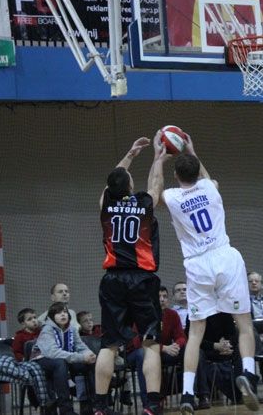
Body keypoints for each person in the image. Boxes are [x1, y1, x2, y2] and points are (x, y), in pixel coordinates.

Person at [160, 133, 259, 413]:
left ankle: (188, 394)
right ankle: (248, 374)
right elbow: (205, 176)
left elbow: (155, 192)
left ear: (176, 175)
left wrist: (158, 158)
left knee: (195, 333)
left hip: (197, 264)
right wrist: (192, 150)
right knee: (244, 323)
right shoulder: (211, 188)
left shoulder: (172, 197)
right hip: (225, 256)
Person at [93, 134, 166, 415]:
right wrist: (158, 158)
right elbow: (156, 186)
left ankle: (100, 407)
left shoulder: (106, 204)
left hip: (113, 280)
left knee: (109, 345)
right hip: (141, 279)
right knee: (151, 343)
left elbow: (111, 181)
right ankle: (152, 405)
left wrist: (130, 155)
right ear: (130, 186)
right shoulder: (143, 203)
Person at [31, 302, 96, 415]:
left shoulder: (72, 328)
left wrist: (90, 355)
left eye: (65, 312)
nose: (63, 314)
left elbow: (80, 346)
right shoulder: (47, 329)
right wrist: (81, 357)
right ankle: (66, 410)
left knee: (89, 363)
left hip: (65, 358)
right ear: (52, 317)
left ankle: (93, 406)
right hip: (42, 359)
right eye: (58, 312)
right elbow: (53, 353)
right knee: (60, 363)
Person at [158, 287, 186, 366]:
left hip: (169, 350)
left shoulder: (172, 314)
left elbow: (181, 337)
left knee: (187, 350)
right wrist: (163, 348)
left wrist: (176, 345)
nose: (162, 299)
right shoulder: (145, 314)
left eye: (165, 296)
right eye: (158, 297)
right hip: (149, 351)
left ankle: (187, 374)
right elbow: (140, 343)